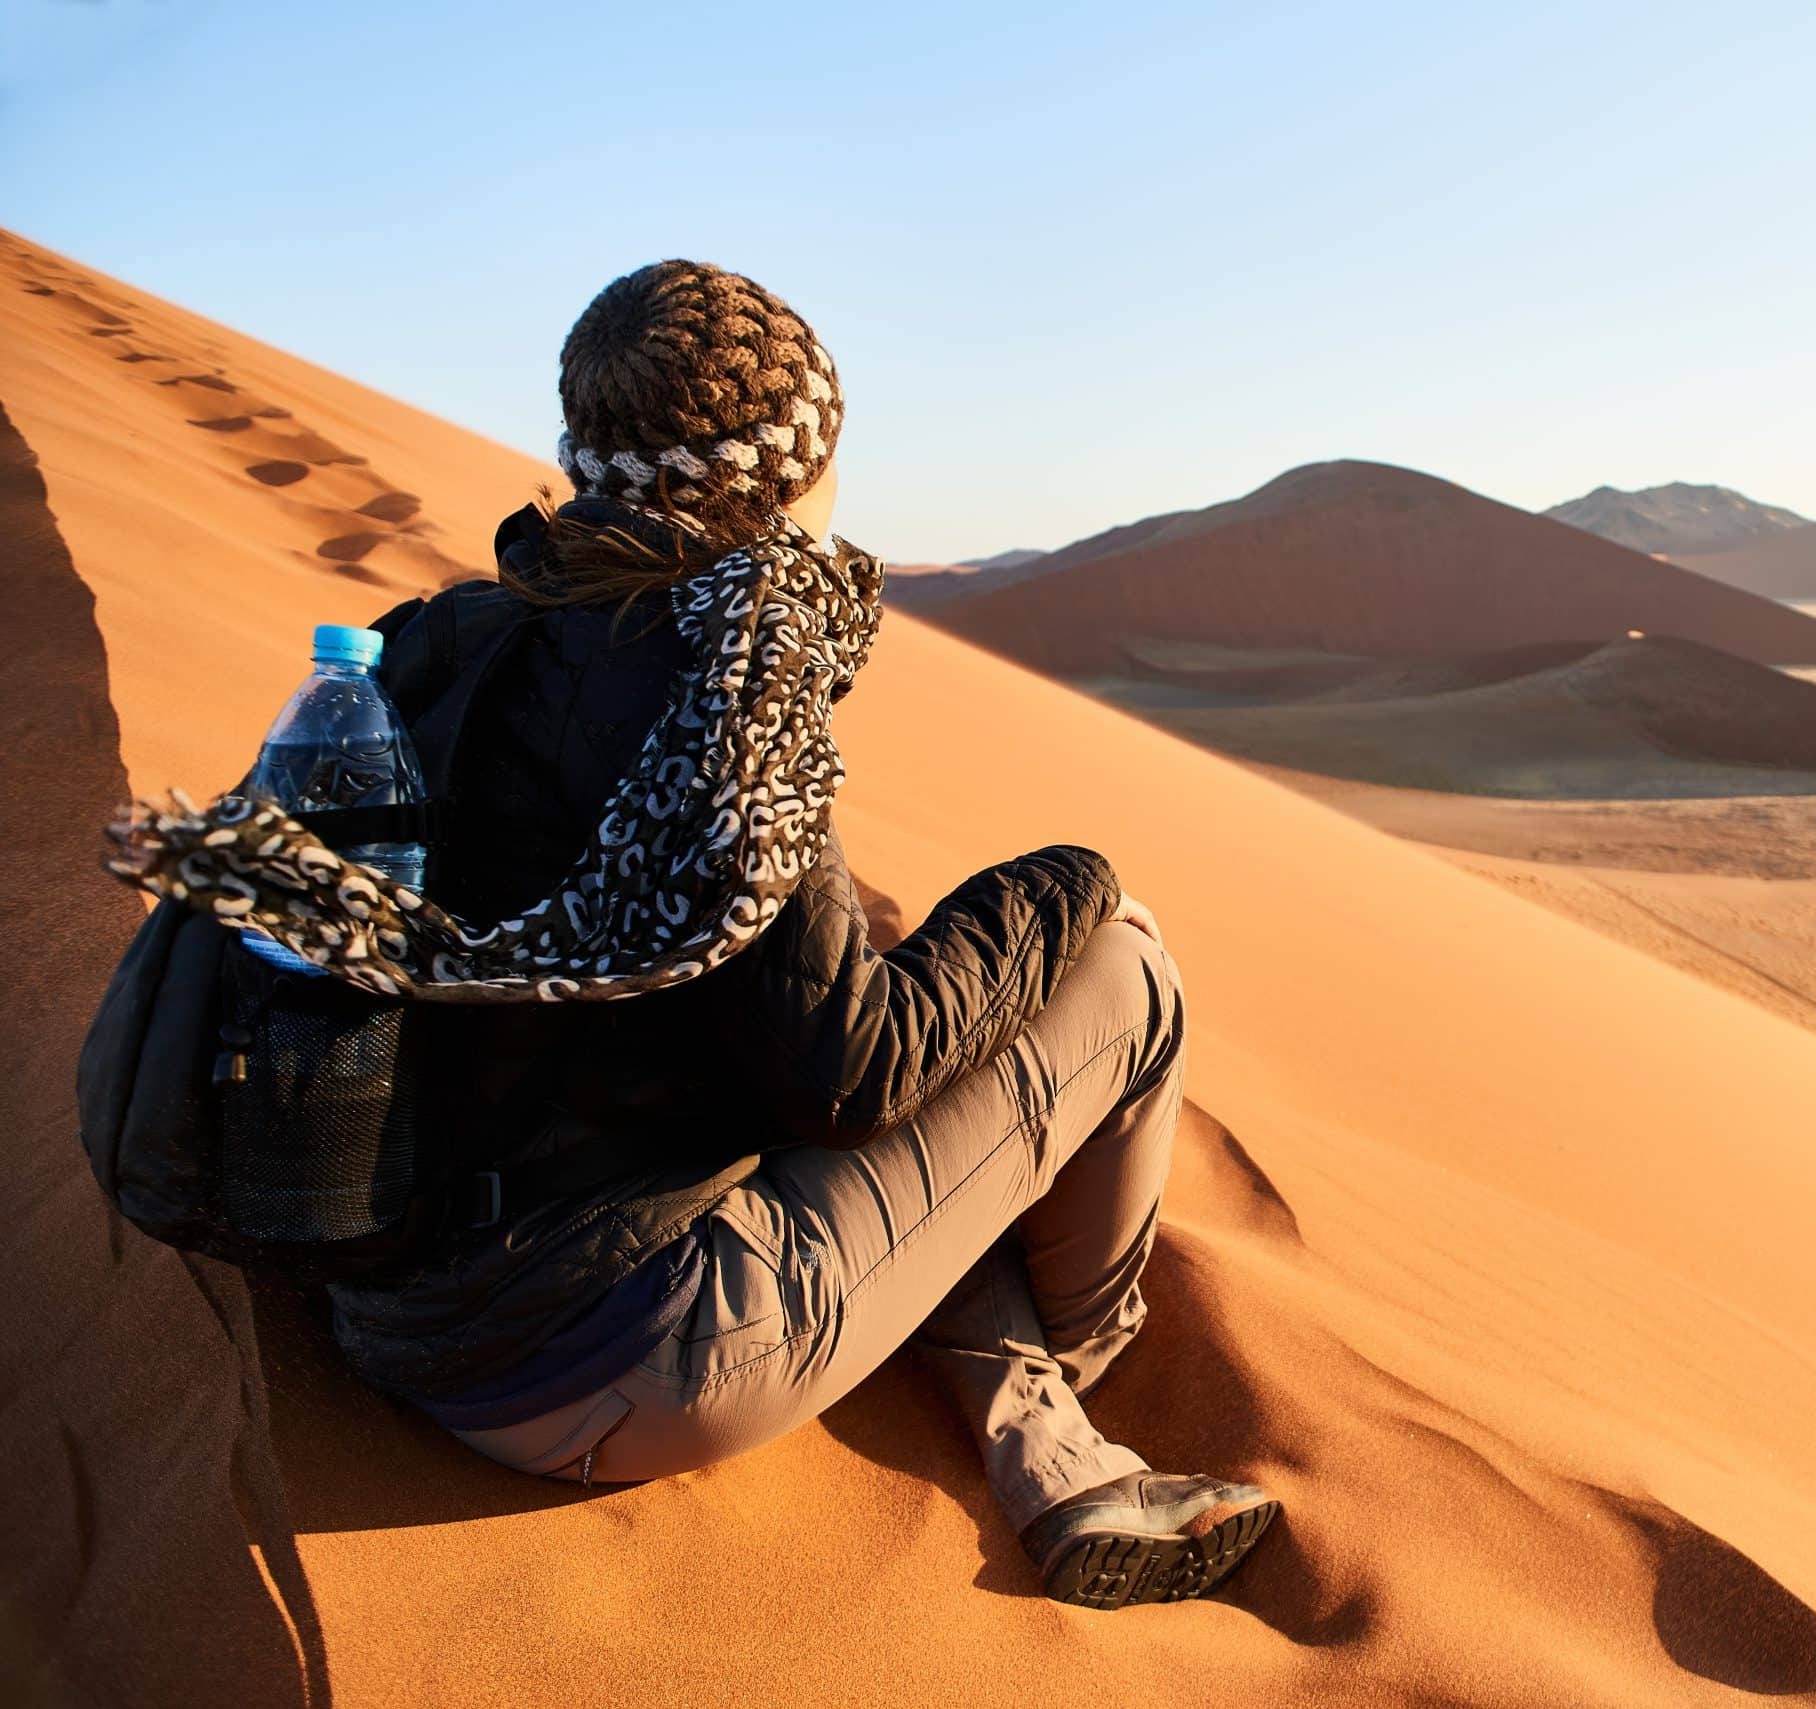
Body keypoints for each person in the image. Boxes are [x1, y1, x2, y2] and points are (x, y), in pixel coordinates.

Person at [324, 261, 1277, 1607]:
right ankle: (1079, 1354)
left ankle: (1054, 1454)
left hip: (387, 1303)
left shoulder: (438, 640)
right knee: (1123, 963)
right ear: (790, 477)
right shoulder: (727, 674)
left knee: (824, 1040)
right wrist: (1062, 883)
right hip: (614, 1358)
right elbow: (851, 1074)